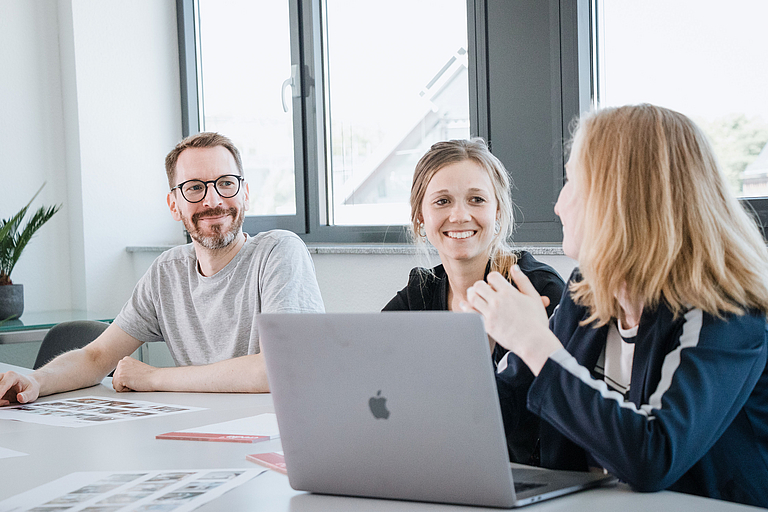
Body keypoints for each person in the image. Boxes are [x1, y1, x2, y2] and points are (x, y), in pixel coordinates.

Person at [462, 105, 768, 507]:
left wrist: (534, 341)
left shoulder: (728, 314)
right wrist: (483, 353)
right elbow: (505, 416)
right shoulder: (587, 291)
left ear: (620, 198)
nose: (558, 205)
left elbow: (652, 455)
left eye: (572, 182)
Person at [0, 132, 325, 404]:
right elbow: (96, 357)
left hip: (278, 434)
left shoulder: (279, 251)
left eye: (226, 183)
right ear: (174, 205)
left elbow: (279, 369)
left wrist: (154, 377)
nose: (213, 200)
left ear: (245, 193)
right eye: (195, 187)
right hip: (203, 433)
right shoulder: (167, 272)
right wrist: (37, 380)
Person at [383, 138, 565, 464]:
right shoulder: (420, 293)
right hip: (439, 464)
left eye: (476, 199)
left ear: (497, 211)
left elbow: (555, 416)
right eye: (442, 201)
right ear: (420, 216)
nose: (459, 215)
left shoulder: (538, 289)